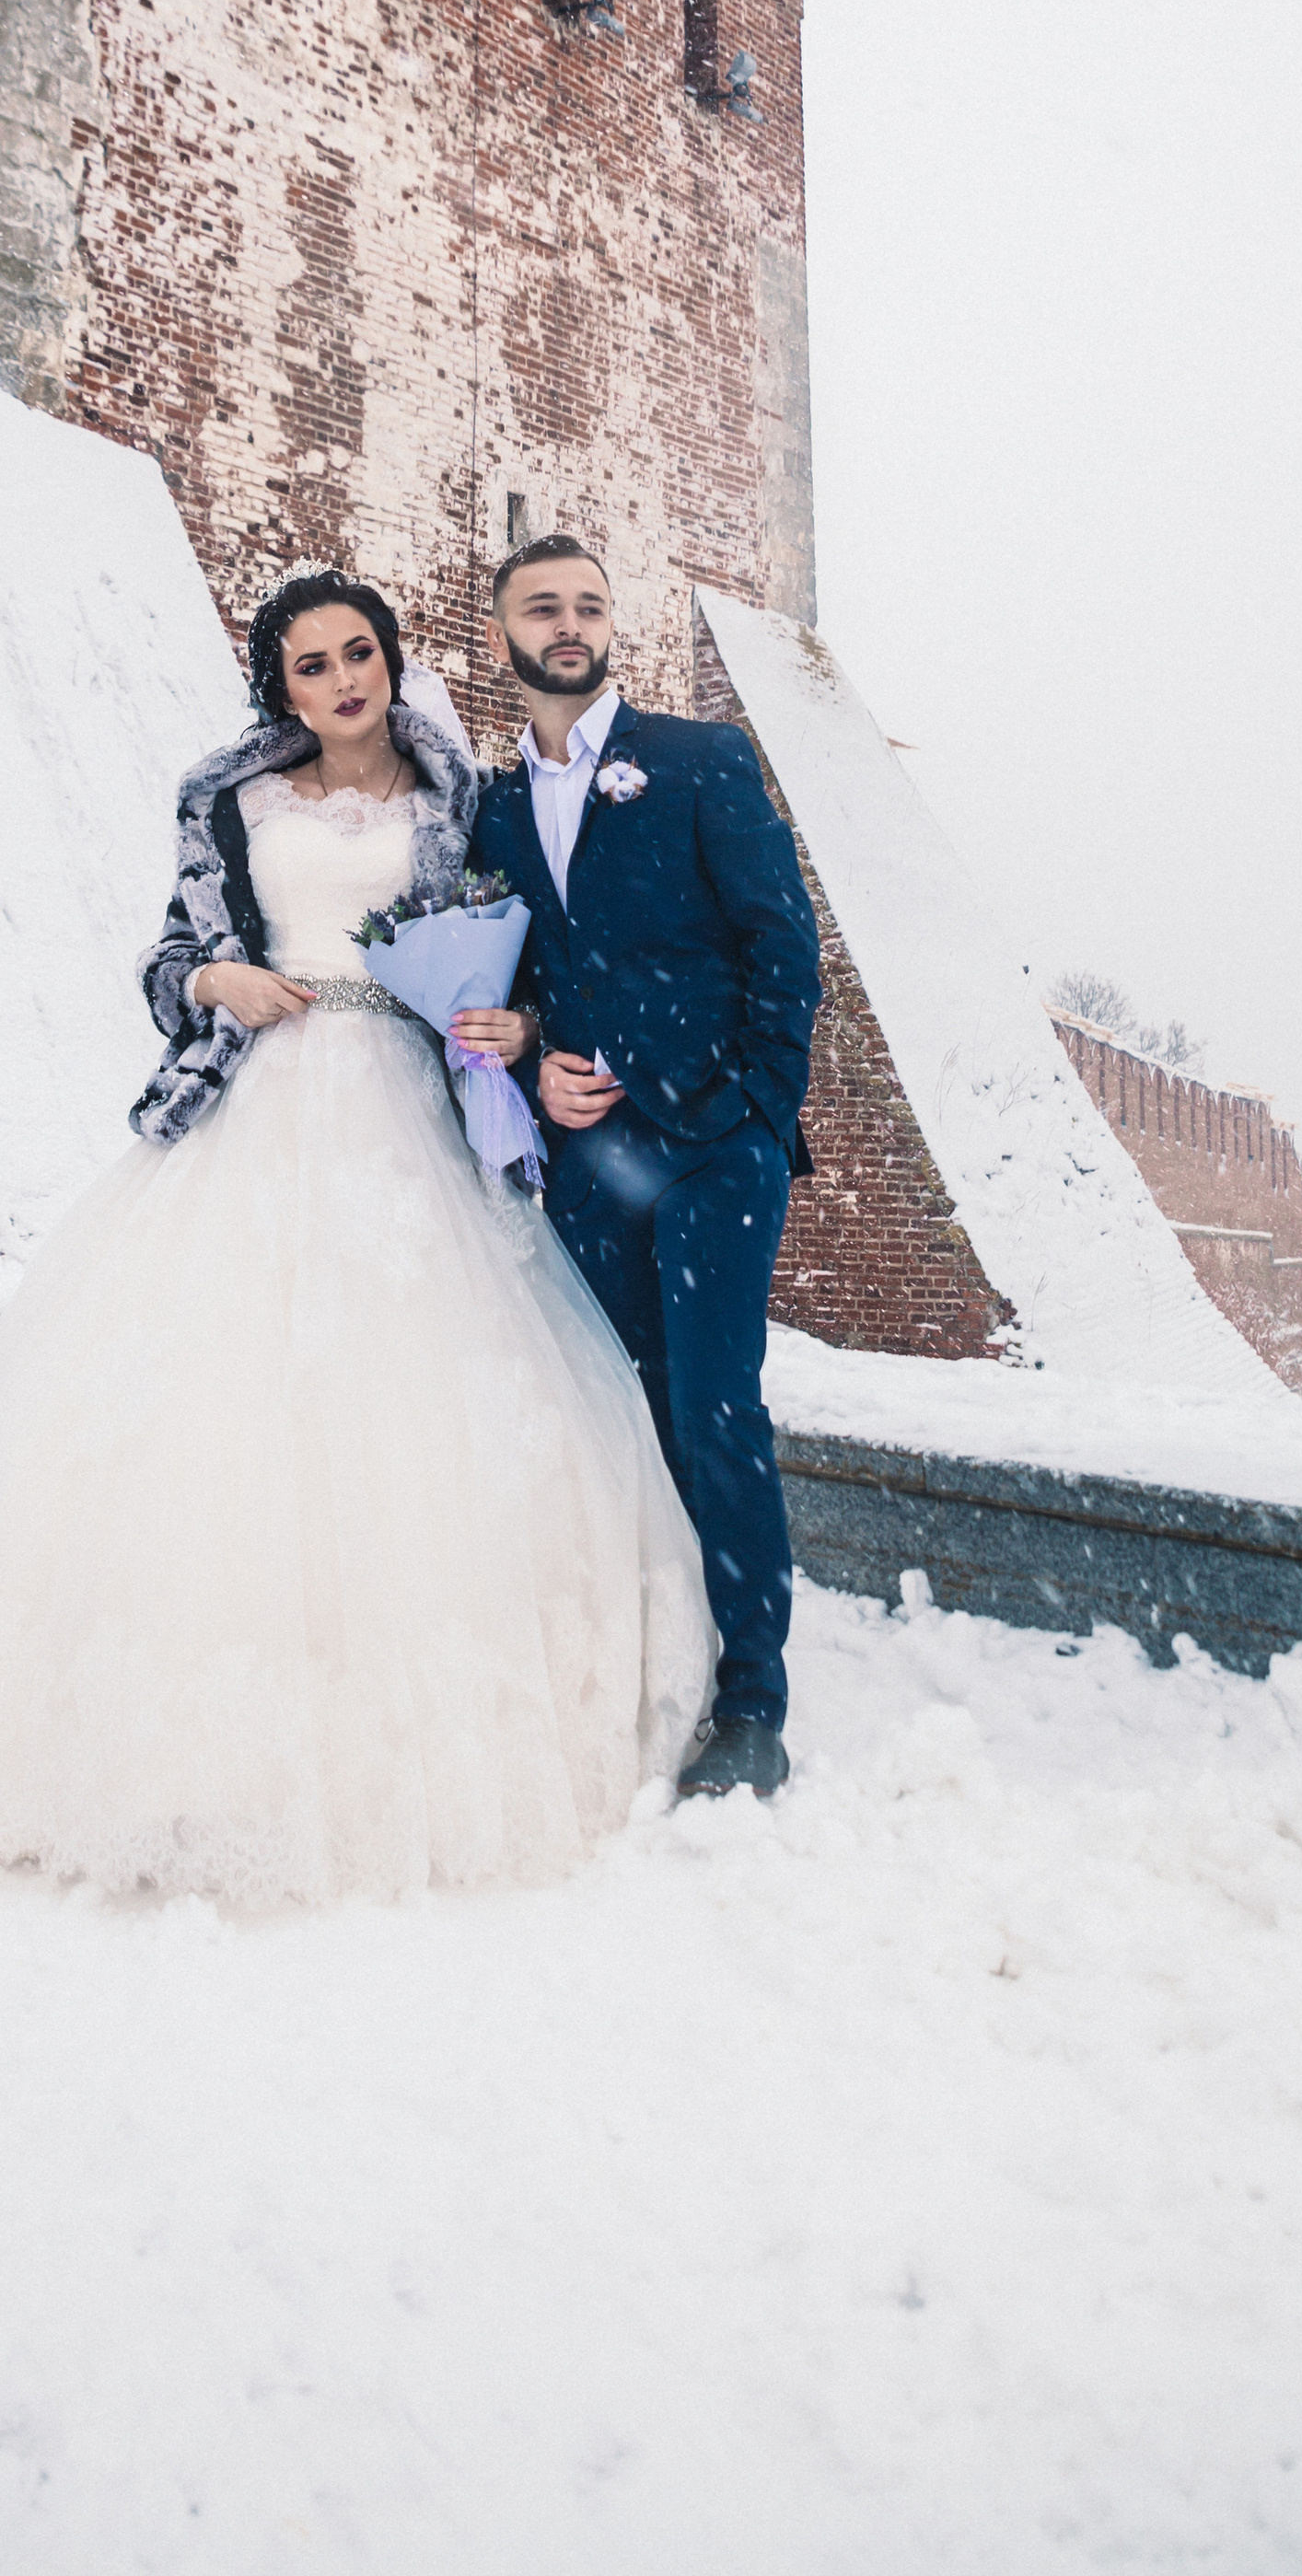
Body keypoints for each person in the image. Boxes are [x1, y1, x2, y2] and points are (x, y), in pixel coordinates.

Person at [0, 567, 714, 1905]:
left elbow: (523, 964)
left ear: (390, 657)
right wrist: (211, 978)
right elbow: (161, 963)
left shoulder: (457, 801)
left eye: (359, 653)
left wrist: (520, 1030)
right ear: (280, 688)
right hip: (262, 1098)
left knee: (416, 1405)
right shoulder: (228, 803)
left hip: (411, 1116)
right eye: (311, 666)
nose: (343, 682)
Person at [468, 539, 822, 1800]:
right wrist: (539, 1062)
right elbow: (513, 981)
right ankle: (653, 1651)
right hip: (589, 1157)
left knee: (716, 1408)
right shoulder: (496, 806)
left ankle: (751, 1701)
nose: (569, 625)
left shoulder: (696, 761)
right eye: (542, 608)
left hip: (716, 1150)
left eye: (588, 606)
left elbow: (785, 944)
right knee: (612, 1407)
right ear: (502, 628)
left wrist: (757, 1117)